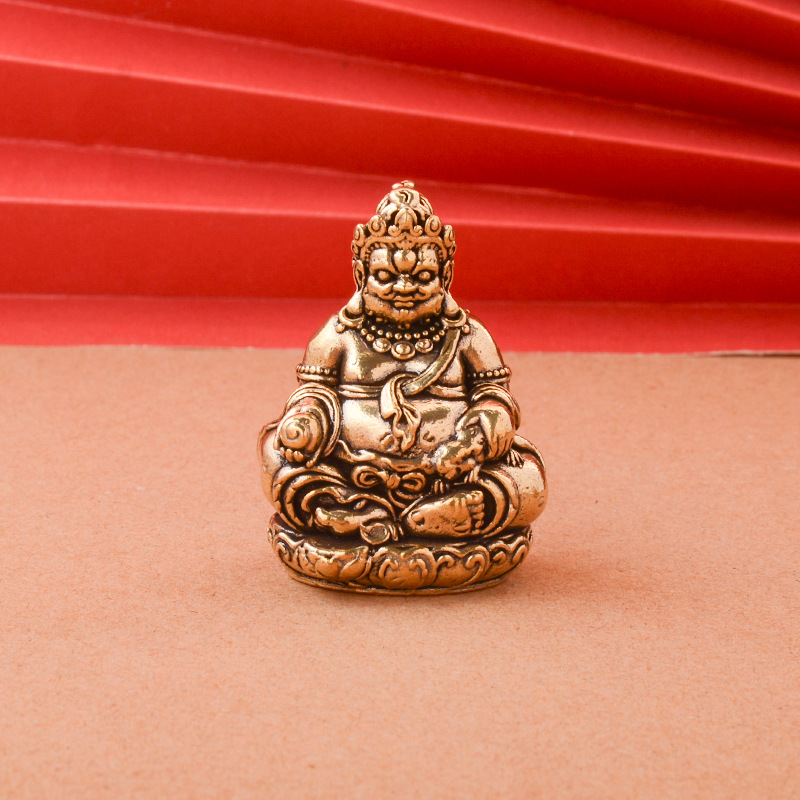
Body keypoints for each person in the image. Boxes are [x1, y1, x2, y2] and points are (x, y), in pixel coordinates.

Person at [259, 182, 546, 546]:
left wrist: (473, 441)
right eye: (385, 276)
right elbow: (314, 392)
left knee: (527, 477)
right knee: (276, 452)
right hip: (350, 470)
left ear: (446, 276)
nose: (405, 287)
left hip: (451, 473)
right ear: (361, 275)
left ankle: (434, 514)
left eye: (423, 276)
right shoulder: (339, 334)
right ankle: (347, 511)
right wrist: (307, 421)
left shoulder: (468, 335)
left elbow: (495, 397)